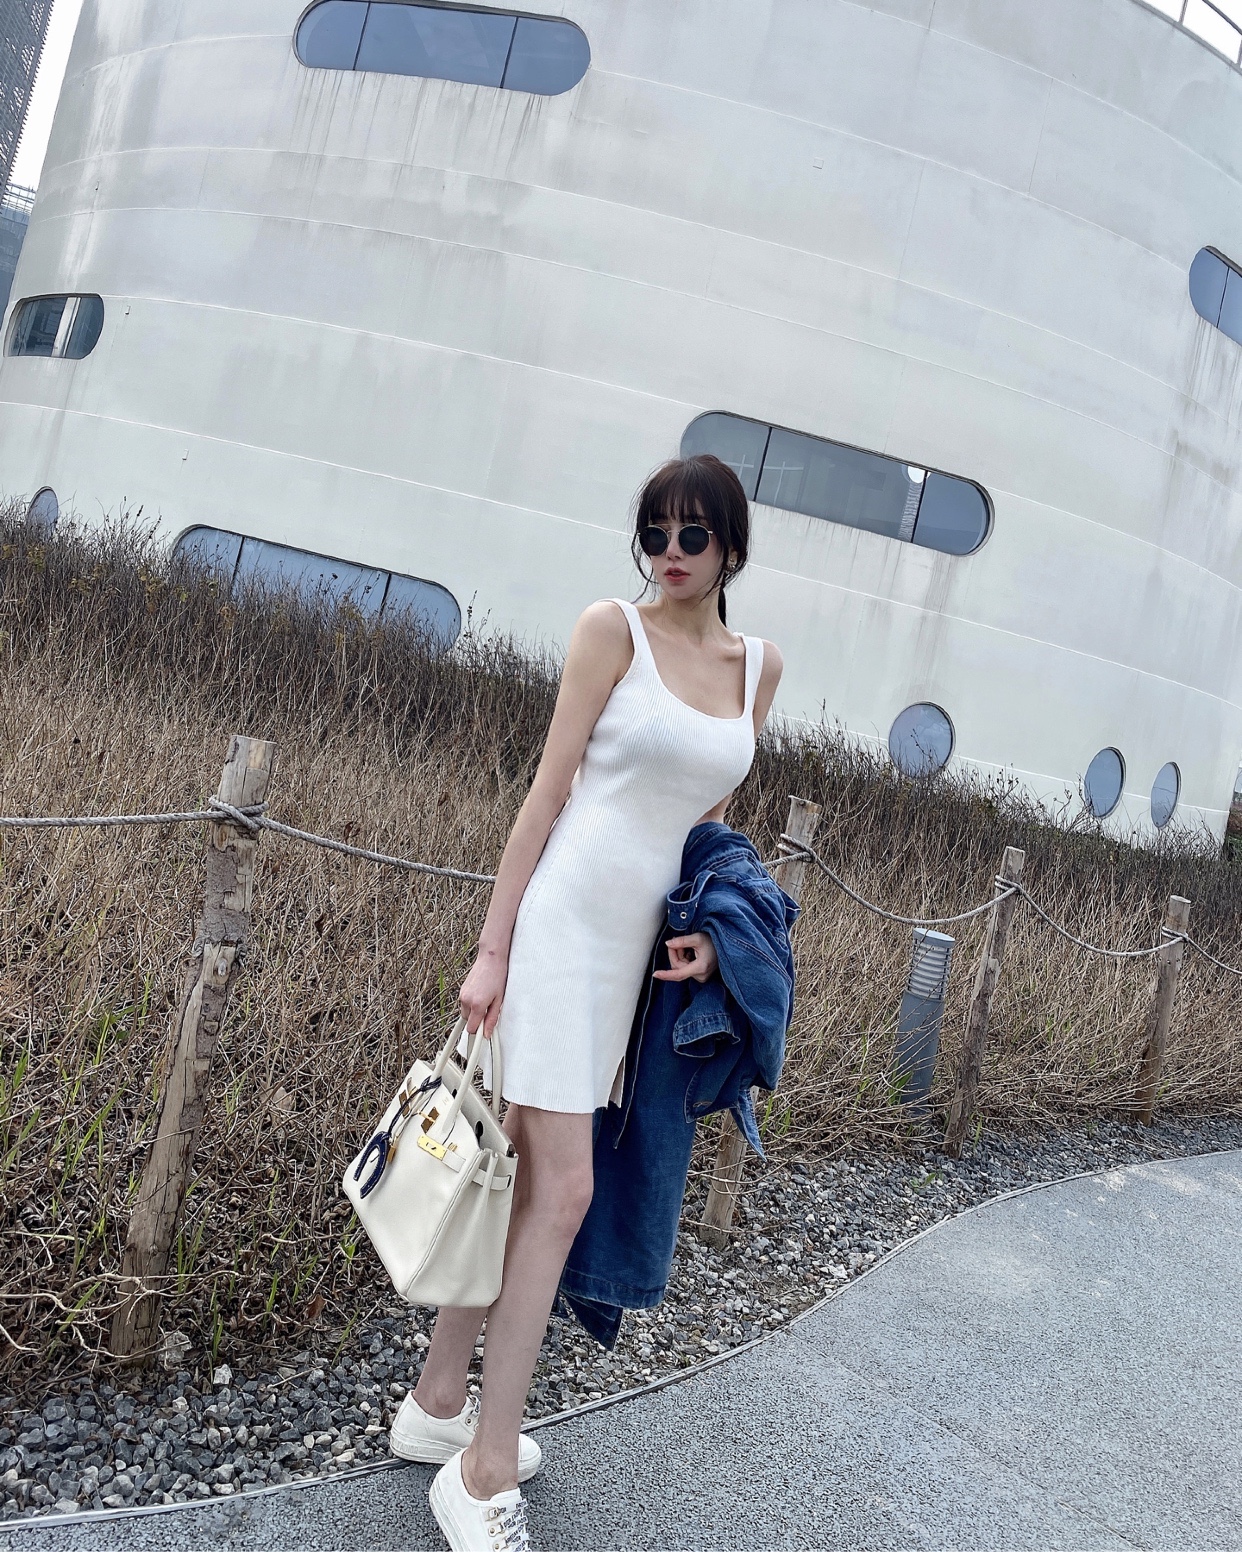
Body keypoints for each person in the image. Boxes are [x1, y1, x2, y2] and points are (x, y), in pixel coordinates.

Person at [389, 453, 783, 1552]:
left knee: (521, 1172)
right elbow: (549, 791)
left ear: (731, 547)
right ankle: (481, 1472)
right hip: (564, 926)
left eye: (692, 534)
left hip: (638, 955)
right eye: (655, 530)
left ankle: (437, 1405)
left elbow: (703, 825)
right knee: (561, 1190)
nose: (670, 551)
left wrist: (710, 933)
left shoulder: (759, 668)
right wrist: (494, 947)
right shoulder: (612, 629)